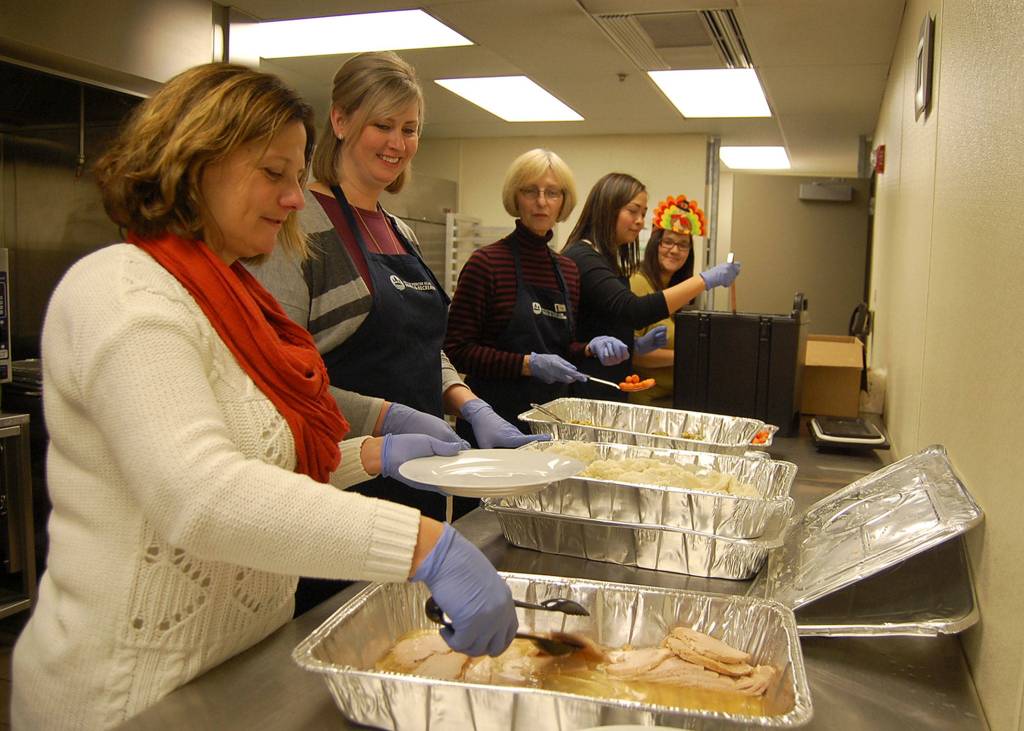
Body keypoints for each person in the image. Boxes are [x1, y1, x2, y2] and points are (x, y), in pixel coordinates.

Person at [11, 63, 517, 731]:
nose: (291, 198)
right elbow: (204, 494)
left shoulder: (236, 300)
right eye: (273, 174)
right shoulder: (125, 293)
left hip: (236, 674)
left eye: (295, 174)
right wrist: (425, 546)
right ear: (197, 164)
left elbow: (256, 454)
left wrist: (373, 452)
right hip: (127, 697)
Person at [248, 51, 541, 522]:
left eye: (409, 129)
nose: (397, 143)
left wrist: (471, 406)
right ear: (341, 120)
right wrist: (390, 419)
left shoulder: (398, 231)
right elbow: (277, 380)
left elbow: (423, 349)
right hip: (340, 481)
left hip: (421, 476)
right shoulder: (296, 225)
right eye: (382, 125)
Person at [444, 148, 630, 435]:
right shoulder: (487, 263)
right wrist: (527, 364)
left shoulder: (567, 270)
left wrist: (589, 348)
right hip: (492, 422)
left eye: (552, 193)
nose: (541, 202)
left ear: (563, 202)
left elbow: (560, 348)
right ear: (516, 198)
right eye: (531, 191)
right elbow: (456, 351)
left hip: (550, 419)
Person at [561, 173, 741, 401]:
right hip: (583, 392)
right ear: (608, 207)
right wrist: (705, 280)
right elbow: (632, 310)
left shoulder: (607, 260)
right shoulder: (583, 256)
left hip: (609, 389)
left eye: (643, 213)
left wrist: (634, 345)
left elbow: (605, 321)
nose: (640, 221)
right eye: (633, 210)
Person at [629, 194, 703, 407]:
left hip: (674, 400)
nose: (674, 250)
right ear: (655, 243)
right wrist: (685, 356)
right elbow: (633, 355)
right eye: (668, 242)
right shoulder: (637, 283)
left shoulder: (682, 292)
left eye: (682, 245)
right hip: (642, 403)